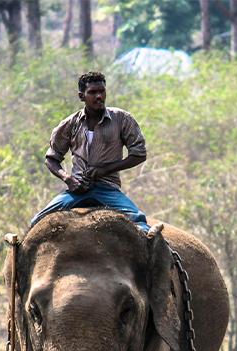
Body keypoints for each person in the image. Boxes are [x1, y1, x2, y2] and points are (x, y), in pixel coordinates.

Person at [30, 71, 151, 232]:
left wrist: (105, 170)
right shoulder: (70, 123)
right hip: (77, 190)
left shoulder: (122, 119)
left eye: (102, 91)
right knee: (36, 222)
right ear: (81, 96)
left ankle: (162, 256)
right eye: (92, 92)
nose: (99, 96)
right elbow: (51, 159)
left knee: (140, 222)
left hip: (108, 188)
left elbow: (139, 154)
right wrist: (69, 179)